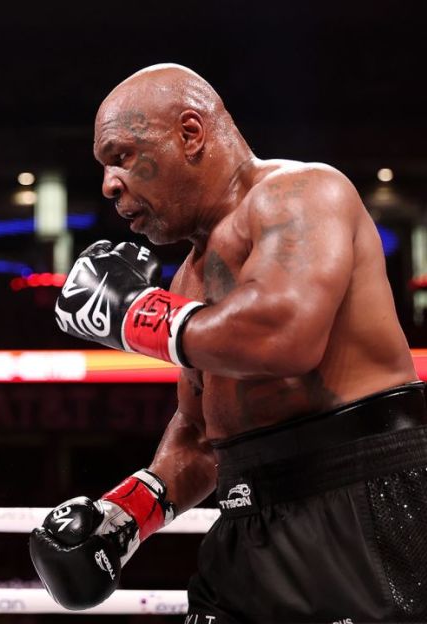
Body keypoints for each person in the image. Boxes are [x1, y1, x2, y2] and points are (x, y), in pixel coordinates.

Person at [29, 63, 427, 623]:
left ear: (190, 133)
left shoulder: (301, 193)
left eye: (121, 155)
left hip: (359, 504)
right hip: (247, 522)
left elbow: (285, 333)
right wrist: (126, 515)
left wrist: (132, 314)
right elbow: (200, 434)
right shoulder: (187, 281)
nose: (108, 184)